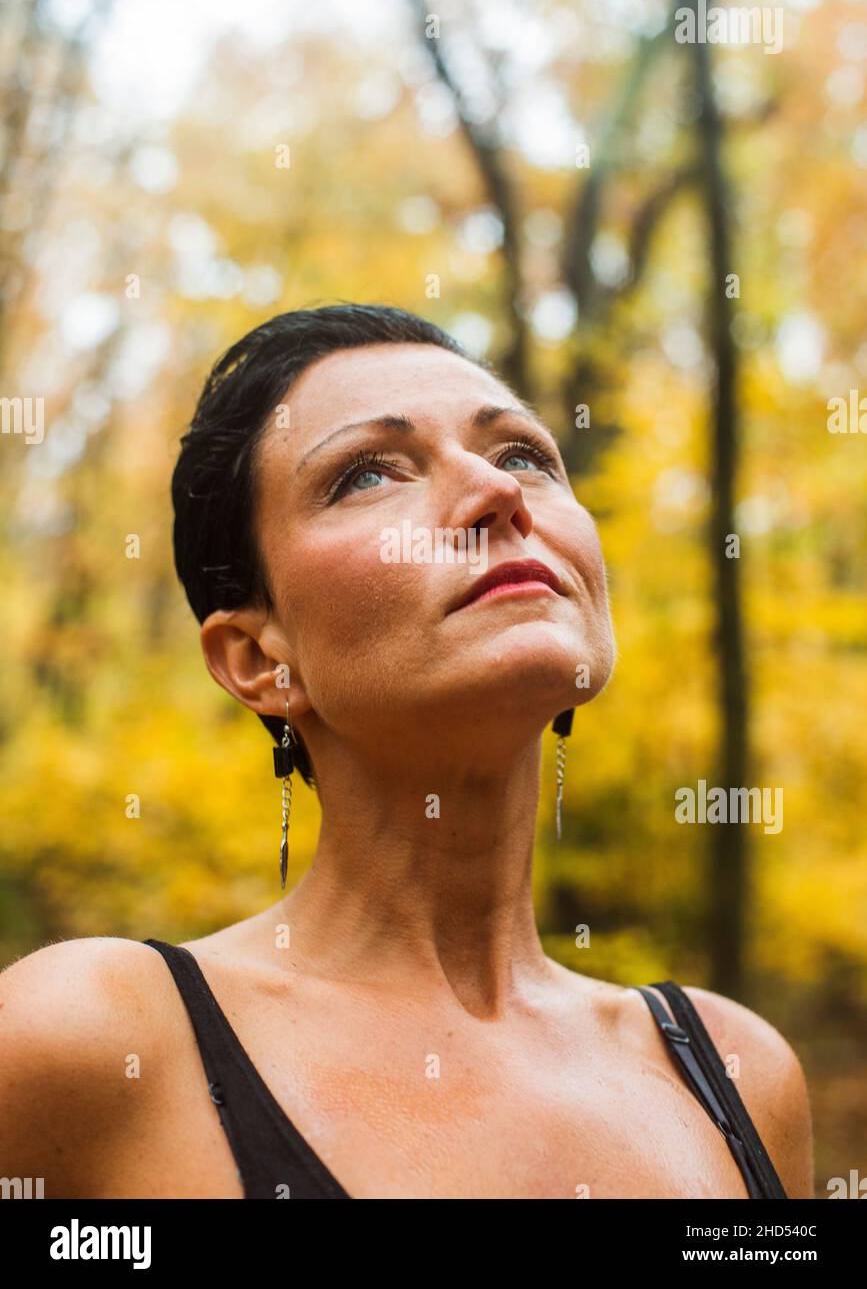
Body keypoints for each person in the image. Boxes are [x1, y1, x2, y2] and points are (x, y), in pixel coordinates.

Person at [0, 304, 813, 1199]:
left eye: (522, 457)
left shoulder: (737, 1073)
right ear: (258, 659)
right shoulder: (94, 1043)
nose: (497, 494)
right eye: (366, 475)